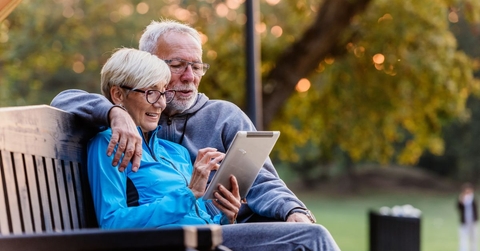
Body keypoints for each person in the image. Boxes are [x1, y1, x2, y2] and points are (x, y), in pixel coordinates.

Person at [51, 19, 314, 224]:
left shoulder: (223, 117)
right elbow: (65, 99)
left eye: (196, 66)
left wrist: (292, 210)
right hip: (178, 239)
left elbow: (262, 180)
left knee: (307, 234)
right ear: (151, 67)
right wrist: (114, 113)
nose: (189, 76)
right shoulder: (129, 114)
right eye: (177, 65)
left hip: (233, 228)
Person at [88, 47, 340, 251]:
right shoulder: (108, 145)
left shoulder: (172, 151)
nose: (160, 104)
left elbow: (201, 211)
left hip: (211, 237)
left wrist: (224, 213)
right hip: (176, 243)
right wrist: (189, 193)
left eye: (163, 93)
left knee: (302, 235)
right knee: (310, 237)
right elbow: (112, 223)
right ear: (118, 95)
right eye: (151, 93)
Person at [457, 183, 478, 251]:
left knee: (474, 238)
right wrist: (461, 201)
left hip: (473, 221)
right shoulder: (462, 199)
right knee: (463, 238)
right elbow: (459, 207)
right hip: (464, 221)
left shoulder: (473, 198)